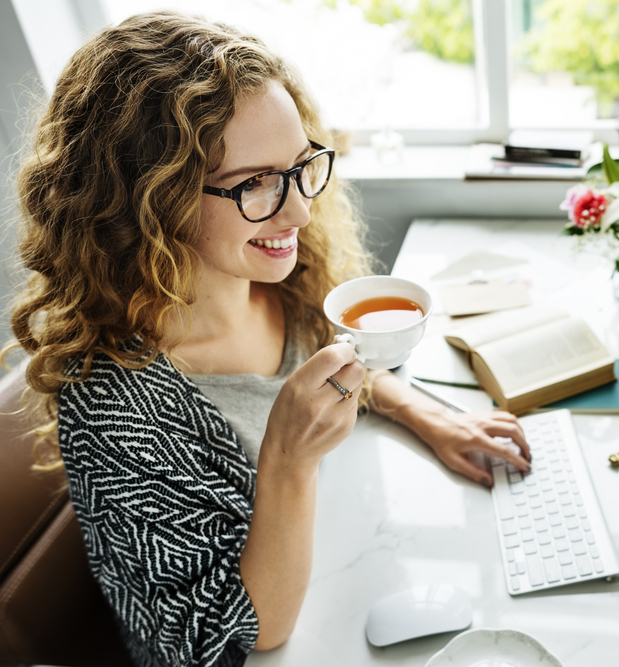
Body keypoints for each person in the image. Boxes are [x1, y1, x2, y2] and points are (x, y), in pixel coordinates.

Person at [4, 12, 530, 667]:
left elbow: (327, 365)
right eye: (254, 182)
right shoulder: (118, 405)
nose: (300, 210)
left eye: (301, 165)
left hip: (342, 572)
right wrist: (288, 460)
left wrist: (422, 413)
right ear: (148, 198)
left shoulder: (275, 271)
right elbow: (237, 637)